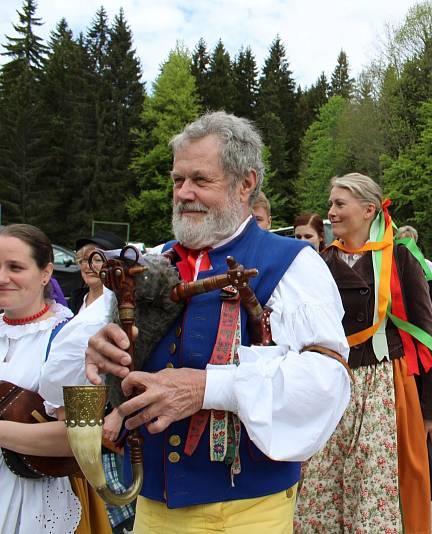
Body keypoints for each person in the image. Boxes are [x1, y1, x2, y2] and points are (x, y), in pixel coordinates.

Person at [84, 111, 351, 533]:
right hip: (152, 506)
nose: (184, 193)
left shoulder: (292, 264)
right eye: (177, 180)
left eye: (200, 180)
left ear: (246, 183)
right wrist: (101, 353)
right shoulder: (151, 261)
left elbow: (324, 381)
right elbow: (94, 371)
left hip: (245, 510)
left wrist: (208, 388)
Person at [296, 173, 432, 533]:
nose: (330, 212)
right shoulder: (321, 261)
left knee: (375, 484)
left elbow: (426, 333)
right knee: (321, 484)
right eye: (330, 203)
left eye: (339, 204)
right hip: (331, 384)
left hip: (383, 386)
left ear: (368, 210)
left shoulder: (400, 258)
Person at [0, 224, 113, 534]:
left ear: (46, 272)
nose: (1, 277)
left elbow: (77, 439)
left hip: (37, 498)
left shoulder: (71, 338)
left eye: (15, 267)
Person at [72, 232, 135, 533]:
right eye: (83, 259)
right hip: (85, 408)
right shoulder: (75, 300)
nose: (88, 265)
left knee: (117, 502)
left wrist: (119, 412)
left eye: (95, 258)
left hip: (111, 409)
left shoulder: (120, 301)